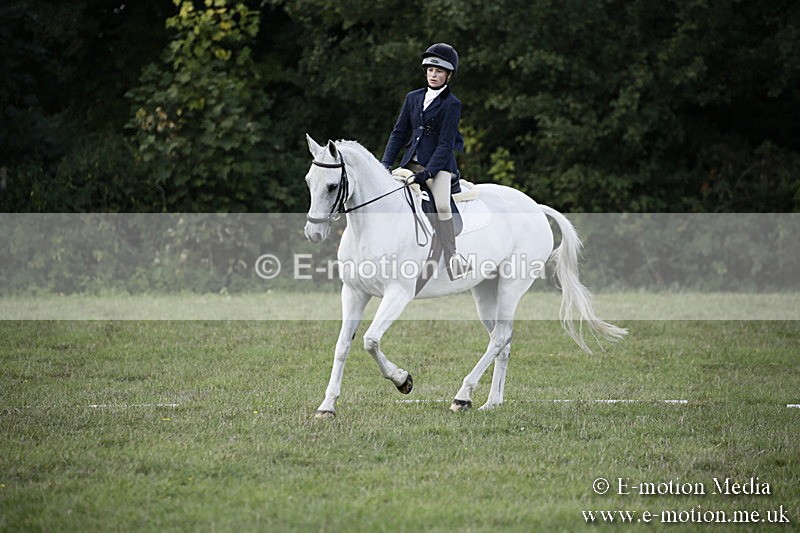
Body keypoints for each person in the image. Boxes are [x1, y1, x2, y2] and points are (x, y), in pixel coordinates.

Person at [381, 43, 471, 280]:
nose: (433, 74)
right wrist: (385, 164)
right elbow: (399, 133)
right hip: (410, 162)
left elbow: (445, 144)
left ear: (448, 75)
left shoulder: (452, 104)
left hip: (439, 167)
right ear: (425, 71)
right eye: (430, 69)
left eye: (439, 71)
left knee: (441, 205)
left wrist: (429, 172)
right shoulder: (413, 98)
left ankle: (453, 258)